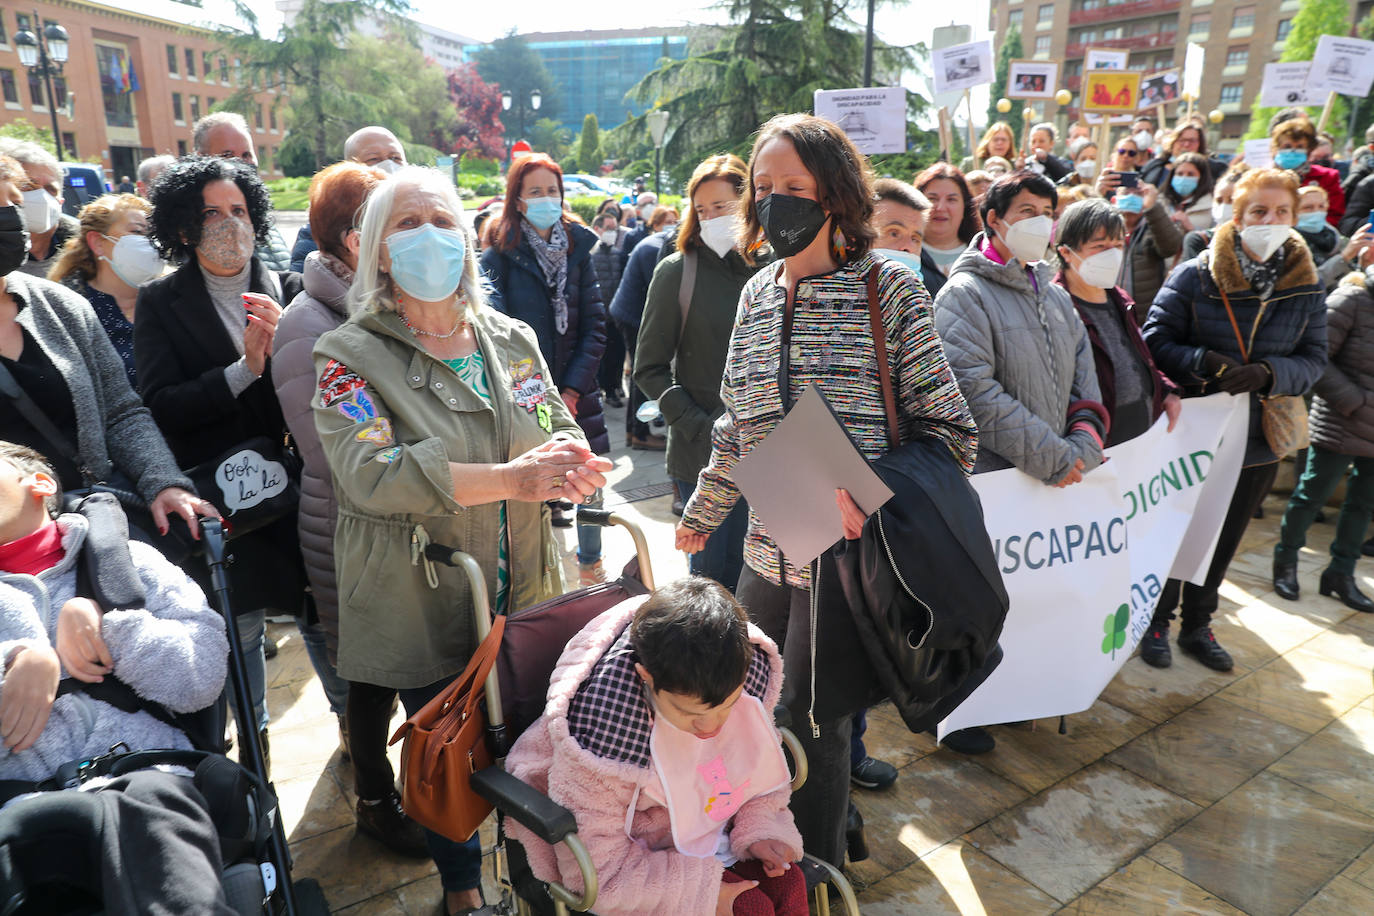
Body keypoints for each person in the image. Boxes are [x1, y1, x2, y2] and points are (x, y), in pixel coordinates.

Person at [676, 113, 978, 867]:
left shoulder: (889, 294)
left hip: (852, 555)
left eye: (794, 188)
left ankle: (813, 875)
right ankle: (770, 838)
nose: (776, 203)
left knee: (816, 721)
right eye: (763, 188)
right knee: (746, 706)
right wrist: (703, 511)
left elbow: (953, 433)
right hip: (768, 547)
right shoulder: (755, 297)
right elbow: (738, 426)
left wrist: (871, 493)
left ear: (836, 195)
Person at [313, 165, 609, 916]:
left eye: (443, 221)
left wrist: (573, 466)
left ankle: (533, 871)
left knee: (528, 740)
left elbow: (554, 425)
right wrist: (513, 478)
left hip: (524, 584)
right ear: (379, 250)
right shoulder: (347, 355)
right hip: (425, 591)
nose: (430, 237)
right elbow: (372, 476)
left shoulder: (508, 340)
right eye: (408, 224)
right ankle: (462, 891)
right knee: (448, 751)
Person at [0, 441, 235, 915]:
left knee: (148, 801)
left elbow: (202, 677)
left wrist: (109, 624)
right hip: (23, 809)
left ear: (40, 485)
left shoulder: (127, 562)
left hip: (146, 777)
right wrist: (17, 660)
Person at [269, 161, 426, 855]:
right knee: (369, 677)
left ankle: (420, 788)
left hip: (408, 519)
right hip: (348, 528)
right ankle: (375, 799)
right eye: (392, 221)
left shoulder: (387, 304)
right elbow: (333, 454)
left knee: (408, 666)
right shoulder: (309, 324)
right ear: (349, 236)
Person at [135, 154, 306, 759]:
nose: (229, 224)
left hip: (303, 487)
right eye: (212, 213)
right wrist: (243, 371)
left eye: (239, 210)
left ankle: (358, 750)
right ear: (183, 227)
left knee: (321, 617)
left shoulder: (289, 287)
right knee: (244, 626)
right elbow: (158, 405)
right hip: (229, 492)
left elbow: (329, 388)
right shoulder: (161, 302)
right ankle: (256, 756)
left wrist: (291, 348)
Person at [505, 579, 807, 916]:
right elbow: (601, 877)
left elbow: (754, 776)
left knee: (789, 883)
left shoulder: (735, 674)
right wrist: (702, 896)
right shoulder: (600, 739)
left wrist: (761, 830)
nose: (712, 728)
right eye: (690, 714)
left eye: (728, 706)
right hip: (631, 861)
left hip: (705, 827)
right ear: (646, 678)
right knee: (750, 908)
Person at [933, 170, 1106, 753]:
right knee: (977, 601)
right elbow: (974, 392)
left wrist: (1083, 440)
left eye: (1047, 211)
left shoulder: (1054, 293)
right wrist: (1055, 455)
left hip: (1049, 476)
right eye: (1025, 209)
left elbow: (1085, 375)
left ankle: (1017, 695)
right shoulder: (964, 294)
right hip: (992, 478)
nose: (1039, 221)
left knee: (1031, 596)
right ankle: (964, 710)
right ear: (995, 219)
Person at [1141, 168, 1327, 671]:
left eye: (1281, 212)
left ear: (1294, 217)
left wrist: (1270, 372)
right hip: (1196, 431)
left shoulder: (1307, 286)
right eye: (1258, 212)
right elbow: (1153, 338)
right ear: (1238, 216)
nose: (1270, 221)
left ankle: (1198, 624)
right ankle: (1155, 619)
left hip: (1259, 436)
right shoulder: (1196, 273)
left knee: (1225, 536)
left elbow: (1315, 359)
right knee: (1178, 529)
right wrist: (1205, 363)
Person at [0, 156, 207, 545]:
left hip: (94, 526)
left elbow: (121, 412)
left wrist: (163, 483)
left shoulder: (62, 307)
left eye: (13, 203)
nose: (10, 216)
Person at [480, 153, 612, 585]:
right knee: (533, 485)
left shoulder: (579, 250)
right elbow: (497, 332)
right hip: (521, 395)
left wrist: (571, 392)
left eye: (552, 191)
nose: (545, 199)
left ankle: (590, 561)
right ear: (517, 200)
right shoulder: (499, 254)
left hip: (579, 389)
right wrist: (539, 397)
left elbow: (595, 326)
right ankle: (539, 573)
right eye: (535, 191)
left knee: (589, 475)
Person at [635, 154, 763, 593]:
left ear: (749, 204)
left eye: (722, 207)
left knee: (768, 586)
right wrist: (698, 426)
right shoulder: (677, 270)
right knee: (712, 589)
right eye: (701, 209)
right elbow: (648, 367)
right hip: (703, 457)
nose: (711, 218)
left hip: (774, 455)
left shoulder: (778, 267)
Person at [1273, 258, 1374, 613]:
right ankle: (1285, 562)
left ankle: (1340, 574)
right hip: (1341, 422)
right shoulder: (1351, 300)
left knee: (1363, 505)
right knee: (1310, 496)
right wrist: (1353, 400)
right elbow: (1316, 357)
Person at [1053, 198, 1182, 446]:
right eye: (1100, 246)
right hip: (1096, 441)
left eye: (1117, 245)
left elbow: (1140, 358)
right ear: (1066, 252)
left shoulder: (1120, 298)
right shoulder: (1055, 308)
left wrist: (1164, 391)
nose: (1111, 255)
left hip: (1141, 430)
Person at [46, 193, 160, 391]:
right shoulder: (65, 309)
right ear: (97, 243)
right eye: (137, 232)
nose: (150, 243)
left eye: (154, 234)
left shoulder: (172, 297)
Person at [289, 125, 408, 272]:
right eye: (374, 159)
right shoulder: (322, 231)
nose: (388, 165)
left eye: (396, 158)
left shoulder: (419, 218)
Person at [191, 112, 292, 271]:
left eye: (246, 155)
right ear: (200, 159)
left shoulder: (262, 219)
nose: (240, 163)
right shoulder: (191, 226)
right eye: (227, 155)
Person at [609, 217, 672, 452]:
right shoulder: (656, 251)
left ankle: (633, 431)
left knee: (640, 372)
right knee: (644, 372)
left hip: (631, 312)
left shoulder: (659, 243)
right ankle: (640, 433)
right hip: (633, 316)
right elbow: (660, 295)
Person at [1094, 168, 1182, 324]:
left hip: (1141, 316)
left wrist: (1152, 207)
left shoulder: (1152, 227)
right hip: (1106, 309)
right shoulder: (1103, 227)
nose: (1131, 197)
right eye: (1126, 192)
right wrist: (1098, 197)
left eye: (1138, 193)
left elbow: (1170, 247)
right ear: (1115, 200)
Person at [0, 140, 78, 280]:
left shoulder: (85, 253)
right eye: (28, 186)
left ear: (61, 201)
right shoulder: (4, 263)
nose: (42, 196)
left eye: (50, 190)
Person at [914, 163, 980, 296]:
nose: (940, 208)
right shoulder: (904, 254)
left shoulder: (982, 255)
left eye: (951, 199)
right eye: (932, 199)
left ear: (965, 207)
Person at [1271, 116, 1345, 228]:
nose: (1293, 150)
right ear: (1277, 148)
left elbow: (1335, 214)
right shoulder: (1264, 179)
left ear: (1309, 150)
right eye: (1287, 146)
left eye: (1299, 146)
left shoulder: (1327, 177)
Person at [1295, 185, 1371, 290]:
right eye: (1308, 207)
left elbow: (1351, 277)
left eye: (1321, 207)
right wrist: (1344, 257)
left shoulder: (1333, 236)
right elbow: (1307, 285)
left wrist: (1364, 262)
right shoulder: (1292, 243)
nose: (1317, 212)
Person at [590, 211, 628, 407]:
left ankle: (614, 387)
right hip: (598, 316)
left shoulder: (618, 254)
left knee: (617, 355)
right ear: (597, 229)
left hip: (615, 316)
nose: (612, 232)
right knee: (600, 357)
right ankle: (603, 389)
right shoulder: (590, 255)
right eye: (608, 229)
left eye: (615, 229)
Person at [1181, 162, 1252, 261]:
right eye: (1219, 200)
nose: (1224, 206)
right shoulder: (1199, 240)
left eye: (1231, 200)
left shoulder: (1257, 243)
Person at [1139, 120, 1227, 187]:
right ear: (1173, 142)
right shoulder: (1153, 165)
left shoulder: (1215, 169)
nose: (1186, 145)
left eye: (1192, 141)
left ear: (1200, 144)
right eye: (1182, 140)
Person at [1160, 151, 1215, 237]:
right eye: (1180, 174)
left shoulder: (1212, 206)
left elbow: (1214, 237)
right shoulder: (1160, 202)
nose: (1184, 178)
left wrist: (1191, 228)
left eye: (1190, 174)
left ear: (1202, 178)